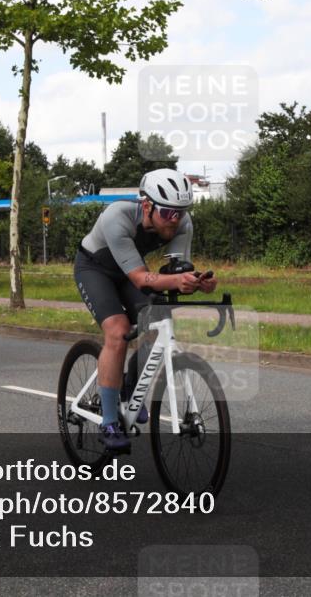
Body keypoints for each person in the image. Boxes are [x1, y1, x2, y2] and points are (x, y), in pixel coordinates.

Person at [74, 169, 218, 451]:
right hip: (95, 269)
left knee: (158, 319)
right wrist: (176, 280)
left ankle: (129, 389)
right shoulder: (118, 216)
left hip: (129, 270)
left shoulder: (182, 223)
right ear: (147, 205)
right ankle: (110, 422)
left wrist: (197, 282)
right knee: (118, 331)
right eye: (167, 213)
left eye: (181, 212)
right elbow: (142, 279)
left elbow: (175, 271)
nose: (174, 220)